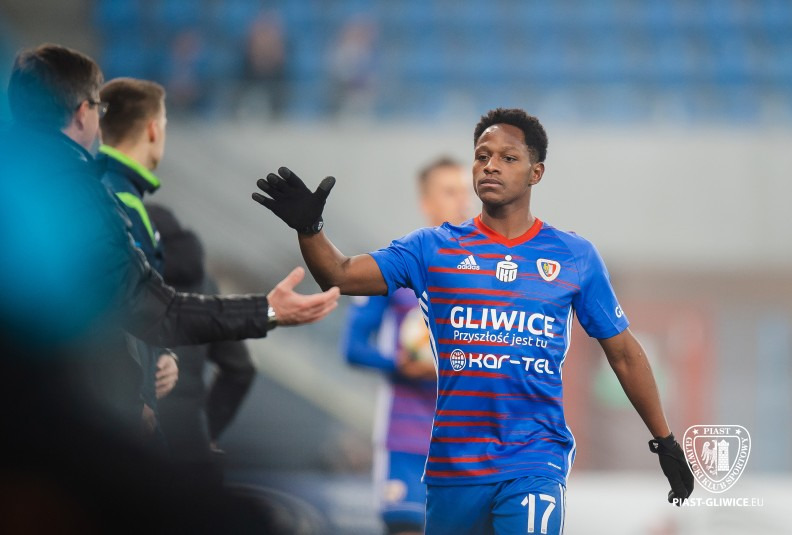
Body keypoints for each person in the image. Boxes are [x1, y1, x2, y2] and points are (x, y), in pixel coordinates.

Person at [252, 108, 695, 534]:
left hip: (533, 459)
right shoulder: (432, 248)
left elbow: (624, 354)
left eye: (508, 158)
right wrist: (310, 229)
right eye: (482, 156)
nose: (491, 166)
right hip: (453, 467)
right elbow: (340, 274)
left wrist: (665, 440)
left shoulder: (574, 256)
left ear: (536, 173)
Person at [0, 42, 338, 438]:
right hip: (60, 424)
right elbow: (151, 312)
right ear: (82, 113)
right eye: (97, 108)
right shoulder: (83, 198)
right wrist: (268, 309)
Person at [340, 157, 470, 535]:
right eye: (450, 192)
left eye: (465, 192)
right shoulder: (397, 267)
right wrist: (401, 364)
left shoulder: (485, 274)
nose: (462, 201)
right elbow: (352, 347)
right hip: (406, 440)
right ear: (426, 202)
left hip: (467, 440)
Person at [148, 203, 257, 485]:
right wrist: (208, 430)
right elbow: (241, 369)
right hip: (190, 447)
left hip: (133, 435)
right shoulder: (206, 286)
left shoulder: (131, 278)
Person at [97, 77, 178, 446]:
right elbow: (123, 307)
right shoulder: (121, 201)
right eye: (164, 124)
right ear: (152, 129)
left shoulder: (112, 191)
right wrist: (140, 396)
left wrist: (164, 352)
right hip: (122, 406)